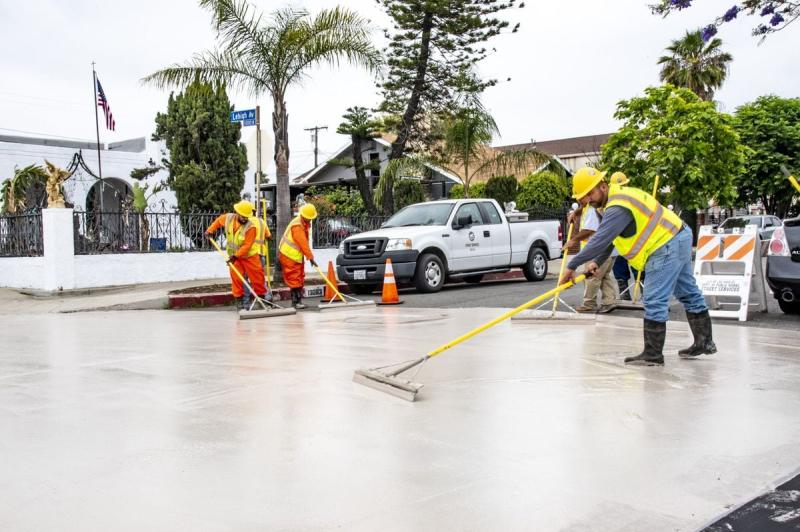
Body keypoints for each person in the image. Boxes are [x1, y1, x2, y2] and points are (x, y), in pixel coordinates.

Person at [560, 167, 716, 366]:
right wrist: (595, 262)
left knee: (653, 299)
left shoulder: (617, 207)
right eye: (584, 196)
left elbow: (600, 239)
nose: (588, 199)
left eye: (590, 193)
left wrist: (571, 266)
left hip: (665, 243)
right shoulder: (613, 201)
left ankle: (653, 354)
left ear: (603, 186)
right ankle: (705, 342)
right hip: (677, 235)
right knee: (687, 292)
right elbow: (610, 240)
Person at [204, 200, 268, 310]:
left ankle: (261, 299)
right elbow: (218, 221)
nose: (244, 219)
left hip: (249, 256)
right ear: (237, 213)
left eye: (246, 217)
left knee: (257, 278)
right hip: (235, 257)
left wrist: (235, 256)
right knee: (237, 279)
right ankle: (239, 302)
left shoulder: (251, 227)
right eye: (243, 216)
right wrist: (210, 230)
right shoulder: (228, 218)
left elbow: (247, 246)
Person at [564, 196, 616, 313]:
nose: (578, 201)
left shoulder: (592, 210)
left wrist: (573, 240)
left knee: (591, 277)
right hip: (608, 250)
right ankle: (609, 301)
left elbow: (589, 230)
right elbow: (583, 208)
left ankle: (589, 303)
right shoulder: (591, 207)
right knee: (604, 277)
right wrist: (576, 213)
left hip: (597, 252)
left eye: (579, 198)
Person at [607, 172, 643, 300]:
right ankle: (625, 293)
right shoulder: (611, 202)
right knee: (620, 269)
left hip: (634, 241)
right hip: (620, 242)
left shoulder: (633, 198)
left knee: (638, 268)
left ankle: (646, 294)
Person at [278, 203, 318, 309]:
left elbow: (303, 243)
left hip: (295, 255)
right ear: (304, 215)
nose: (310, 220)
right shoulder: (298, 226)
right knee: (294, 278)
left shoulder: (302, 222)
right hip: (289, 255)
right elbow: (303, 243)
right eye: (309, 218)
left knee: (299, 277)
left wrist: (309, 257)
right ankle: (296, 302)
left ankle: (298, 300)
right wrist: (310, 258)